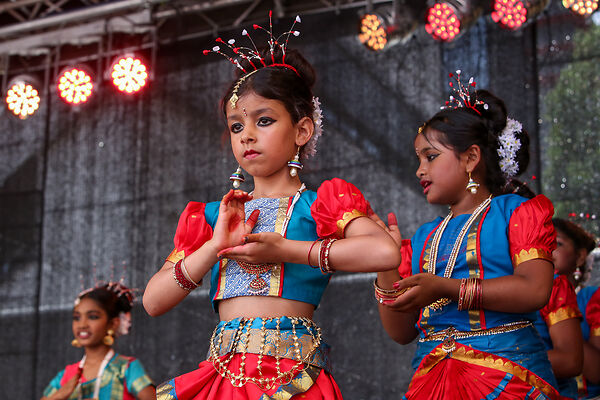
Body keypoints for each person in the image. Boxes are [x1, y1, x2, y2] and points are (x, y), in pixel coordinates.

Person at [143, 13, 400, 400]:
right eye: (235, 126)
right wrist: (214, 247)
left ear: (302, 130)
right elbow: (153, 301)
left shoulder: (323, 204)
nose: (246, 135)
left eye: (263, 120)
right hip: (223, 378)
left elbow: (384, 250)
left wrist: (288, 251)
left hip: (292, 378)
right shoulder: (213, 215)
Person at [373, 73, 565, 399]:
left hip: (508, 377)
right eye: (418, 159)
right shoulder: (423, 236)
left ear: (471, 158)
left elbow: (534, 290)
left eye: (430, 157)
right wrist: (385, 262)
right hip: (432, 381)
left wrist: (445, 287)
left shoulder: (516, 212)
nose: (420, 170)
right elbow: (402, 331)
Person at [42, 282, 155, 400]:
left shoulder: (126, 369)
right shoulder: (66, 375)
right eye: (77, 318)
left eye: (93, 317)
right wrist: (58, 396)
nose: (82, 324)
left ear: (112, 323)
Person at [552, 218, 599, 399]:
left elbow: (596, 371)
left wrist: (561, 315)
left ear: (580, 256)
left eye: (557, 243)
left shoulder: (592, 298)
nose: (546, 248)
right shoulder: (526, 302)